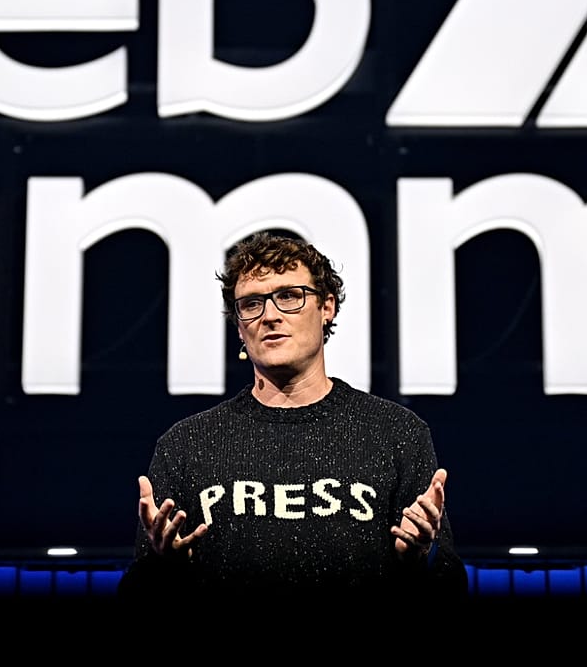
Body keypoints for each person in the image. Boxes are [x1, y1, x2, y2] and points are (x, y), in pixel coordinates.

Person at [117, 231, 468, 599]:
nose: (269, 316)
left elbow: (449, 586)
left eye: (288, 296)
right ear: (239, 326)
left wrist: (417, 560)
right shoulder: (186, 445)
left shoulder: (396, 433)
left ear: (327, 306)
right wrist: (164, 569)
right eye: (251, 304)